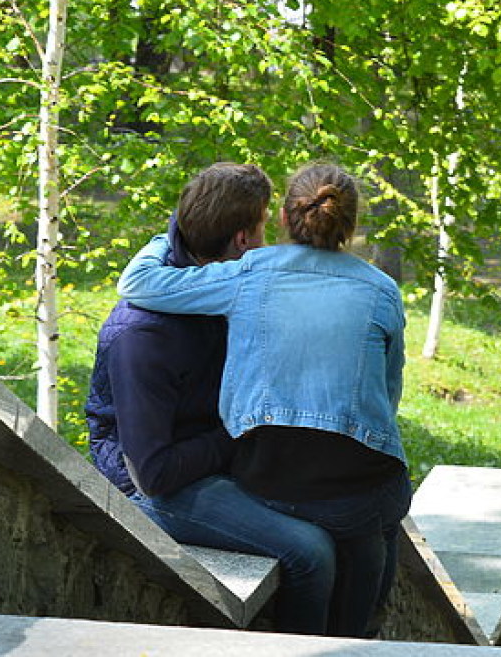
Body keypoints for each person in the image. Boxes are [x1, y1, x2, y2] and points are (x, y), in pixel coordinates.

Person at [116, 162, 411, 639]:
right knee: (375, 527)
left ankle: (331, 638)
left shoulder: (250, 273)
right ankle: (362, 632)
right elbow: (387, 396)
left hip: (269, 480)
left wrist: (167, 235)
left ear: (283, 218)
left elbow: (140, 284)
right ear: (350, 224)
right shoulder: (382, 290)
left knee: (362, 535)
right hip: (367, 490)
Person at [85, 163, 336, 634]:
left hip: (212, 449)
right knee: (312, 553)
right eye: (264, 225)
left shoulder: (221, 285)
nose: (270, 239)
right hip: (148, 483)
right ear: (242, 239)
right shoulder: (142, 335)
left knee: (356, 511)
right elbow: (153, 473)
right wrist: (239, 433)